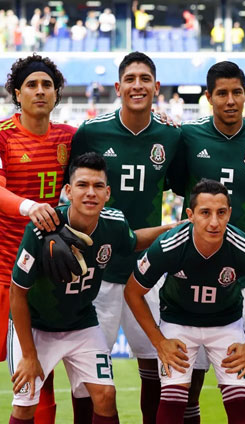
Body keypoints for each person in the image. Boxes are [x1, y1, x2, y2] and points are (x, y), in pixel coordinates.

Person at [8, 152, 172, 424]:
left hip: (81, 323)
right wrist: (28, 355)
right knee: (25, 405)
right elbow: (17, 293)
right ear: (68, 191)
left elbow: (133, 242)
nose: (90, 193)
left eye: (98, 186)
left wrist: (171, 228)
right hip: (36, 326)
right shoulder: (41, 229)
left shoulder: (114, 224)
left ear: (108, 193)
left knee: (106, 395)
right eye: (82, 185)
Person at [69, 51, 183, 424]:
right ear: (118, 87)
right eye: (130, 79)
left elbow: (188, 188)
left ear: (156, 87)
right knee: (88, 375)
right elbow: (70, 194)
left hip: (146, 272)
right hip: (96, 272)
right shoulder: (91, 132)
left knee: (156, 364)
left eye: (144, 78)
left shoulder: (172, 135)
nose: (137, 85)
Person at [124, 178, 245, 424]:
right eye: (205, 213)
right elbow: (132, 292)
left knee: (240, 405)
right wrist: (159, 341)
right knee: (172, 402)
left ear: (229, 213)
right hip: (177, 322)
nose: (214, 222)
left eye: (221, 213)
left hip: (226, 324)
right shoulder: (168, 246)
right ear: (190, 215)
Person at [173, 60, 245, 421]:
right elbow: (179, 189)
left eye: (237, 92)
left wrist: (243, 221)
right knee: (188, 380)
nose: (230, 100)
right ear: (209, 97)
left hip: (243, 276)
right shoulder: (188, 136)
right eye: (222, 93)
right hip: (190, 271)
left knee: (238, 377)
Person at [0, 53, 74, 423]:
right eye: (32, 84)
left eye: (47, 84)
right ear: (17, 93)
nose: (40, 91)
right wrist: (29, 207)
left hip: (42, 276)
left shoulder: (69, 138)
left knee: (38, 377)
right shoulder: (3, 135)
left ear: (56, 93)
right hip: (2, 271)